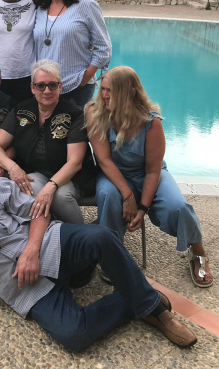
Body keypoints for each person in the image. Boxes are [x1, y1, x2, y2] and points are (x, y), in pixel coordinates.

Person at [0, 158, 197, 350]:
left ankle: (153, 309)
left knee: (102, 237)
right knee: (74, 335)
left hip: (50, 246)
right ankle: (136, 295)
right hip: (26, 288)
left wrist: (31, 250)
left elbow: (40, 212)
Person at [85, 66, 213, 288]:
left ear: (129, 93)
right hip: (113, 173)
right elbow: (104, 160)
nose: (104, 95)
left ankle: (198, 251)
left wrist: (142, 208)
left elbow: (153, 171)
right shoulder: (95, 111)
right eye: (102, 89)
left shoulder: (151, 122)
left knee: (178, 207)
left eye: (110, 91)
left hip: (148, 174)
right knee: (108, 195)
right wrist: (127, 195)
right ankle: (112, 253)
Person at [0, 60, 96, 224]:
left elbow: (74, 163)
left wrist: (51, 186)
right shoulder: (22, 110)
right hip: (39, 172)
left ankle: (82, 234)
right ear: (32, 88)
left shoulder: (74, 114)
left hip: (73, 177)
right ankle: (49, 231)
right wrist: (13, 167)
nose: (47, 91)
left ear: (60, 87)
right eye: (40, 86)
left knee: (60, 196)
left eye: (52, 85)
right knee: (27, 187)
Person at [33, 0, 111, 108]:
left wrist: (85, 77)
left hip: (76, 86)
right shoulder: (40, 9)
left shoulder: (86, 5)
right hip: (46, 88)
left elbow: (103, 47)